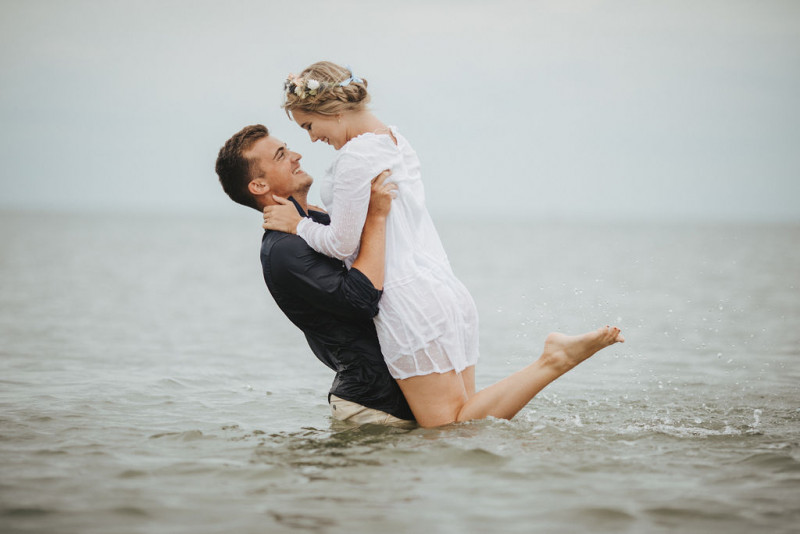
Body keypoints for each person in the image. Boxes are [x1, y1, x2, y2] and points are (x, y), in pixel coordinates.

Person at [262, 61, 625, 428]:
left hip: (408, 304)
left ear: (333, 110)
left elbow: (341, 244)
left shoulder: (355, 157)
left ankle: (553, 360)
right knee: (466, 420)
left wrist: (299, 225)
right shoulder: (396, 143)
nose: (311, 138)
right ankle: (551, 361)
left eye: (309, 125)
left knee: (448, 428)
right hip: (443, 291)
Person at [216, 124, 415, 427]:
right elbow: (362, 299)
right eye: (281, 155)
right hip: (371, 407)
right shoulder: (283, 249)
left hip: (397, 393)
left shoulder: (316, 223)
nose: (296, 155)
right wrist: (376, 215)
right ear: (258, 186)